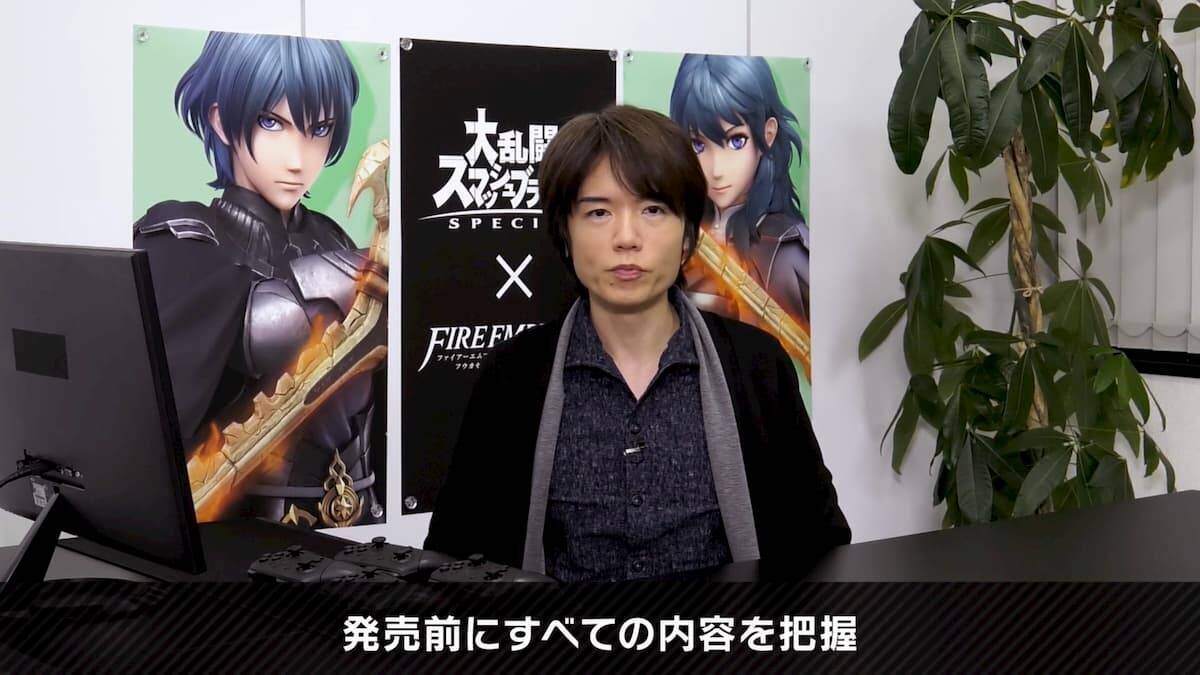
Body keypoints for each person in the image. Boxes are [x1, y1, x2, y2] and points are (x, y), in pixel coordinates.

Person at [425, 105, 848, 581]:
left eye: (653, 210)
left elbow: (820, 542)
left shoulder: (756, 367)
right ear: (565, 232)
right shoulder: (513, 377)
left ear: (688, 235)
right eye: (598, 212)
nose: (626, 238)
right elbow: (454, 561)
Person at [133, 31, 385, 528]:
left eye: (319, 129)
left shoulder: (330, 236)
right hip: (238, 533)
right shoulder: (181, 238)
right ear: (220, 119)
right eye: (273, 123)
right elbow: (265, 321)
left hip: (357, 520)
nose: (298, 160)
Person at [669, 54, 811, 329]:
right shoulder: (678, 232)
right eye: (698, 145)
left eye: (736, 141)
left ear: (768, 134)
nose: (716, 169)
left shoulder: (786, 247)